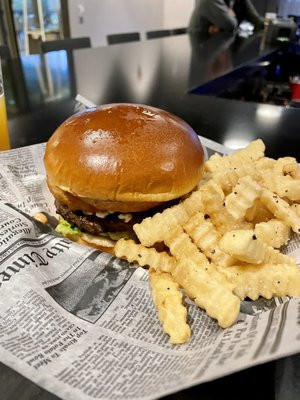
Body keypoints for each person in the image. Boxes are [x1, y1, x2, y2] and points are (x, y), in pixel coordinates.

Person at [188, 0, 264, 35]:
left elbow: (256, 19)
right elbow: (231, 24)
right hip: (201, 43)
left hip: (220, 46)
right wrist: (230, 17)